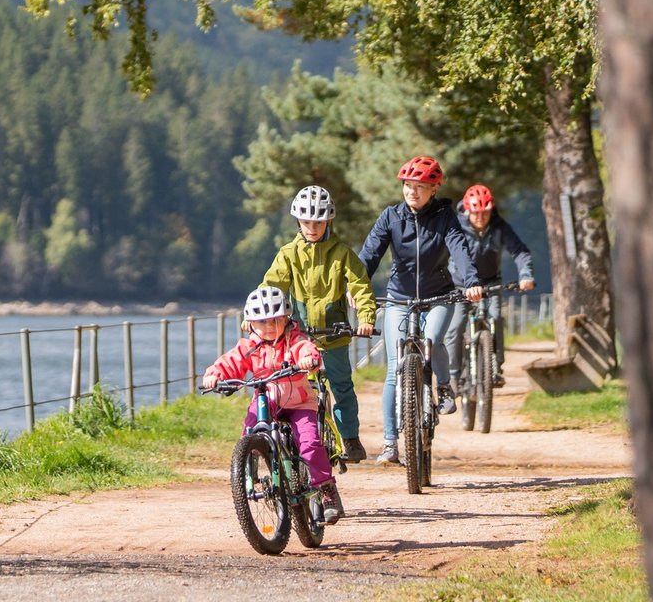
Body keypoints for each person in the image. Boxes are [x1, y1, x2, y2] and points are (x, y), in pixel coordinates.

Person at [357, 155, 481, 465]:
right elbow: (370, 254)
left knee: (432, 338)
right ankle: (389, 443)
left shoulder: (445, 217)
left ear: (434, 189)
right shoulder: (390, 217)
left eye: (421, 187)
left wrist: (471, 281)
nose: (413, 192)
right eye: (408, 186)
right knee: (393, 371)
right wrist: (355, 287)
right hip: (398, 298)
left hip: (438, 295)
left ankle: (443, 385)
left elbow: (459, 249)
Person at [201, 285, 344, 521]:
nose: (268, 327)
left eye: (274, 321)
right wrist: (214, 375)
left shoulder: (294, 340)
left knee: (309, 443)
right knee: (248, 432)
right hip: (266, 401)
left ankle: (327, 489)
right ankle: (249, 467)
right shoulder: (249, 346)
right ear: (251, 323)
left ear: (286, 318)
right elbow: (231, 361)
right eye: (261, 322)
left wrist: (309, 359)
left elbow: (306, 349)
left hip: (299, 402)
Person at [259, 185, 378, 463]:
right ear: (298, 221)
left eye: (318, 221)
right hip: (299, 338)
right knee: (300, 391)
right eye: (306, 221)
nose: (312, 227)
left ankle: (350, 437)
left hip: (334, 334)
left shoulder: (343, 253)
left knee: (341, 387)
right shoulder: (288, 254)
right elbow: (272, 285)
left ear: (329, 221)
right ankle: (303, 439)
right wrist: (260, 317)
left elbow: (360, 286)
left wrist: (366, 318)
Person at [448, 184, 535, 392]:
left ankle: (495, 367)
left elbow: (520, 252)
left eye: (485, 212)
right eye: (476, 213)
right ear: (467, 210)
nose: (480, 217)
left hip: (490, 283)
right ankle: (454, 376)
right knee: (455, 327)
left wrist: (525, 275)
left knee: (495, 317)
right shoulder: (455, 227)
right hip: (460, 286)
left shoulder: (499, 226)